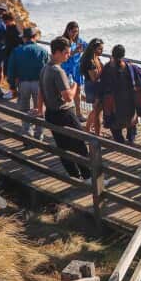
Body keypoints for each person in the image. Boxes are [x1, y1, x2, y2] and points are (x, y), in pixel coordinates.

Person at [40, 37, 91, 179]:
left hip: (51, 113)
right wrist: (74, 85)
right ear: (57, 52)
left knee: (63, 147)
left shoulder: (45, 68)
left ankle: (74, 176)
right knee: (80, 144)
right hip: (65, 113)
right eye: (67, 53)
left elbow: (41, 92)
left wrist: (39, 110)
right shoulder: (58, 71)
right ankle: (88, 177)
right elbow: (68, 97)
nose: (69, 55)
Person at [97, 44, 141, 144]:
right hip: (129, 101)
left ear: (112, 54)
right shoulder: (130, 67)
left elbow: (102, 85)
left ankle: (120, 142)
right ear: (123, 55)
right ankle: (131, 140)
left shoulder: (107, 68)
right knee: (131, 121)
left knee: (114, 124)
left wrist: (99, 99)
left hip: (113, 103)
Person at [6, 27, 49, 141]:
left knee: (24, 109)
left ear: (24, 38)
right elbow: (48, 70)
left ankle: (27, 133)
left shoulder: (17, 51)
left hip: (23, 83)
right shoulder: (43, 51)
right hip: (39, 84)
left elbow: (11, 70)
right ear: (35, 37)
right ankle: (39, 134)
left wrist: (12, 86)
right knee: (39, 109)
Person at [79, 39, 106, 133]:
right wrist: (104, 71)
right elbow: (94, 78)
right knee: (97, 110)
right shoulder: (90, 61)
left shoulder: (96, 58)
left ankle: (89, 128)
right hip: (92, 86)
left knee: (97, 109)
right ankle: (92, 130)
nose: (102, 51)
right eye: (100, 49)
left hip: (95, 86)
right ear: (93, 49)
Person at [59, 21, 87, 113]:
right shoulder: (63, 41)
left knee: (78, 91)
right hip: (66, 69)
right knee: (65, 93)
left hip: (77, 69)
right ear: (68, 30)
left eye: (77, 31)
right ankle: (65, 112)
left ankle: (78, 113)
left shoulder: (79, 41)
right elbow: (61, 55)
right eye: (73, 31)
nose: (75, 33)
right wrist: (74, 52)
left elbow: (89, 48)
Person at [2, 13, 24, 97]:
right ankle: (13, 91)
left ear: (10, 20)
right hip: (8, 54)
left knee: (12, 75)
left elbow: (20, 43)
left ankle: (13, 92)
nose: (5, 23)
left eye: (6, 21)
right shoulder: (9, 27)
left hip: (13, 55)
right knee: (9, 74)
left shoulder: (16, 30)